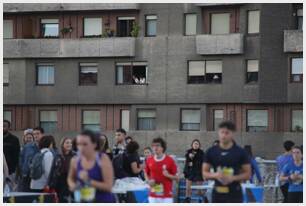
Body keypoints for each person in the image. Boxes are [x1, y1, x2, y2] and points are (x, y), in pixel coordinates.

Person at [202, 121, 251, 203]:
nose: (224, 135)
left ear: (232, 134)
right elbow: (204, 173)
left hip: (235, 193)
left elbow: (248, 174)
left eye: (227, 133)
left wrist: (233, 178)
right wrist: (216, 175)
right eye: (222, 132)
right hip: (217, 193)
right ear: (218, 132)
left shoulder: (240, 152)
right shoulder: (211, 151)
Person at [67, 130, 115, 203]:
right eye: (78, 144)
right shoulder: (75, 160)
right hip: (83, 200)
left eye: (85, 144)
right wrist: (73, 185)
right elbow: (70, 178)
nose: (81, 147)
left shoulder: (102, 159)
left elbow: (109, 186)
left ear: (94, 144)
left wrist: (88, 181)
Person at [144, 137, 179, 203]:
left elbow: (177, 178)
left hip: (166, 197)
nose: (155, 148)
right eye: (153, 146)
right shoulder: (149, 160)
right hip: (153, 195)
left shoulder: (170, 160)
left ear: (163, 148)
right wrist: (148, 181)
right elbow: (146, 173)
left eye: (157, 145)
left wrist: (168, 175)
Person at [56, 137, 76, 202]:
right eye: (67, 143)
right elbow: (53, 170)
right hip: (60, 182)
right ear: (62, 144)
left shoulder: (75, 156)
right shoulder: (58, 156)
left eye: (70, 143)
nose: (69, 144)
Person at [3, 120, 20, 184]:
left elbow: (16, 156)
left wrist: (12, 169)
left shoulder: (14, 139)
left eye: (4, 126)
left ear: (9, 127)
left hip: (10, 171)